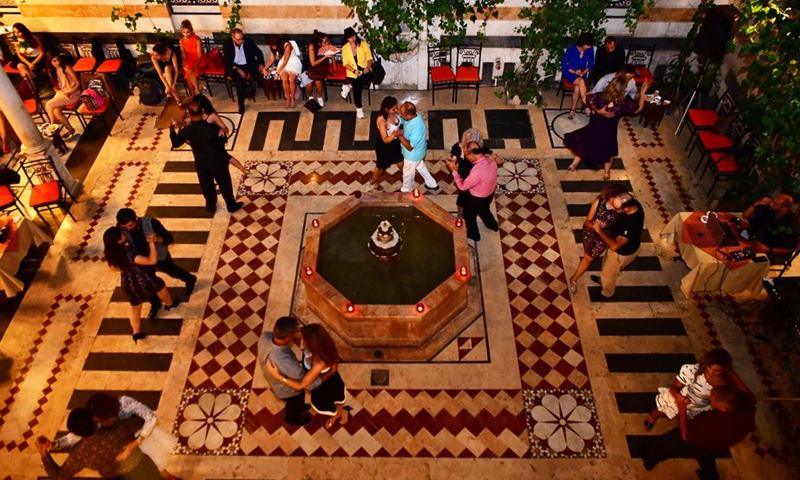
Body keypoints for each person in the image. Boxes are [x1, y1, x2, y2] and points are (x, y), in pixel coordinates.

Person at [49, 393, 180, 480]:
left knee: (160, 467)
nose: (96, 421)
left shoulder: (80, 454)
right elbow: (75, 436)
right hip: (132, 447)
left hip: (141, 436)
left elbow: (149, 419)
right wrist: (56, 444)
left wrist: (134, 444)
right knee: (156, 470)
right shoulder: (117, 428)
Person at [641, 386, 756, 479]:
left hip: (701, 441)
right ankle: (710, 476)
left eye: (712, 400)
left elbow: (685, 435)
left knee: (664, 444)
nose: (710, 400)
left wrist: (682, 408)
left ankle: (648, 460)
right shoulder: (745, 404)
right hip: (720, 443)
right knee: (707, 460)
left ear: (723, 409)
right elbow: (750, 397)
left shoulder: (711, 424)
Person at [645, 348, 755, 431]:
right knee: (666, 412)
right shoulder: (693, 371)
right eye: (709, 367)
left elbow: (747, 395)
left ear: (725, 369)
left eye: (716, 370)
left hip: (701, 407)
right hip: (682, 398)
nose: (711, 372)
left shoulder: (728, 380)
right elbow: (674, 388)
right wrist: (680, 398)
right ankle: (654, 414)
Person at [36, 410, 162, 480]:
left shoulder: (80, 455)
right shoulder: (119, 429)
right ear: (94, 419)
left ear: (76, 433)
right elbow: (144, 418)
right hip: (144, 470)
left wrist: (44, 455)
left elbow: (59, 477)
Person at [565, 76, 650, 180]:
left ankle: (573, 165)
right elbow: (638, 109)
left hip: (594, 126)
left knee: (585, 143)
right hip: (609, 131)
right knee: (609, 150)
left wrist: (597, 109)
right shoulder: (622, 104)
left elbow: (585, 99)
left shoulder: (601, 96)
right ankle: (606, 173)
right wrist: (642, 92)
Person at [266, 324, 349, 429]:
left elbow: (301, 385)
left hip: (323, 387)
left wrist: (277, 376)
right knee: (333, 401)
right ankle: (337, 412)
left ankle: (341, 414)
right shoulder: (324, 344)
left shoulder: (319, 362)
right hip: (327, 380)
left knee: (329, 402)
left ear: (312, 343)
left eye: (303, 339)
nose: (302, 340)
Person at [103, 227, 178, 342]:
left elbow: (113, 267)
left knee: (135, 308)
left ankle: (136, 332)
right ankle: (169, 304)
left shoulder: (110, 253)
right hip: (144, 278)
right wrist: (151, 244)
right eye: (122, 234)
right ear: (118, 241)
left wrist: (127, 269)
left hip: (128, 283)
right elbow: (151, 261)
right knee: (160, 287)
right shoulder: (128, 253)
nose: (124, 233)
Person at [170, 102, 245, 214]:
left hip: (201, 162)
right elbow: (223, 140)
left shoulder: (187, 131)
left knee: (206, 185)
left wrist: (171, 128)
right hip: (217, 160)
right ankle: (231, 205)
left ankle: (211, 205)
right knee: (224, 183)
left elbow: (176, 143)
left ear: (190, 115)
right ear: (202, 112)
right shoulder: (212, 128)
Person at [116, 208, 197, 302]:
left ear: (136, 218)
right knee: (148, 281)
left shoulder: (151, 223)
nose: (128, 229)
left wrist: (156, 239)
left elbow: (169, 239)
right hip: (143, 259)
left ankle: (190, 279)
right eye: (124, 227)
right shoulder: (122, 229)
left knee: (172, 271)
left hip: (160, 256)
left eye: (130, 225)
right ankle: (155, 303)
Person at [257, 316, 323, 426]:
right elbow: (307, 383)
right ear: (288, 337)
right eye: (296, 331)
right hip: (287, 390)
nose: (298, 332)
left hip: (275, 382)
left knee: (297, 402)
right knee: (295, 403)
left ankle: (299, 407)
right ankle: (292, 419)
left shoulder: (265, 337)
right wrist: (325, 375)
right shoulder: (286, 363)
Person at [568, 183, 629, 293]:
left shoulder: (621, 210)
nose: (618, 210)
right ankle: (574, 279)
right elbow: (587, 222)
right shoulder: (600, 201)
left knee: (589, 258)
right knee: (588, 257)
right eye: (616, 207)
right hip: (590, 233)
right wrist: (597, 227)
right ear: (611, 197)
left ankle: (574, 278)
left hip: (604, 238)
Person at [588, 194, 644, 299]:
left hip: (622, 252)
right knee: (606, 264)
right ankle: (602, 279)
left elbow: (615, 246)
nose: (613, 209)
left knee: (610, 274)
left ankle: (606, 293)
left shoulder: (630, 223)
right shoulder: (635, 204)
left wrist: (600, 231)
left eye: (616, 208)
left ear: (626, 208)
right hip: (616, 246)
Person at [446, 142, 499, 242]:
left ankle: (474, 234)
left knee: (468, 215)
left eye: (466, 155)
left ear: (472, 155)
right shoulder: (489, 158)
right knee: (484, 210)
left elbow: (462, 186)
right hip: (489, 193)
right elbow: (500, 161)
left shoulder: (477, 171)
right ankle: (493, 225)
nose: (466, 158)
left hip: (477, 198)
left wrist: (454, 170)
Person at [448, 128, 503, 220]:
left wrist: (494, 157)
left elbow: (499, 161)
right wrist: (454, 160)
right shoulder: (459, 147)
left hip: (477, 181)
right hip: (464, 177)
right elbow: (454, 156)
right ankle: (460, 215)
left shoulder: (483, 153)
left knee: (477, 206)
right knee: (462, 199)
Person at [396, 101, 438, 193]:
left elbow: (410, 147)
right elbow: (405, 120)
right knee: (420, 166)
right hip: (419, 152)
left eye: (402, 114)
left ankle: (406, 190)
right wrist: (399, 114)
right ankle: (432, 184)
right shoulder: (415, 115)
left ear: (409, 116)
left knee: (408, 173)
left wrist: (399, 135)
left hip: (413, 155)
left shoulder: (417, 128)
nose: (400, 114)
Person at [222, 28, 266, 114]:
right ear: (233, 38)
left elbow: (259, 53)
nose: (241, 41)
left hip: (247, 64)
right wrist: (238, 69)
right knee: (239, 82)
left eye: (242, 38)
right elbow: (227, 60)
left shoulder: (248, 42)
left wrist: (261, 64)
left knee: (251, 74)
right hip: (234, 66)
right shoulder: (227, 44)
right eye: (238, 40)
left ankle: (249, 89)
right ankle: (241, 104)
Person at [369, 96, 404, 191]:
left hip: (396, 143)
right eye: (393, 109)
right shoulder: (382, 121)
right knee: (381, 166)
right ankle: (374, 180)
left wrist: (399, 112)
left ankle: (404, 175)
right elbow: (385, 139)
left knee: (400, 160)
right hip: (385, 146)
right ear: (386, 109)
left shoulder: (394, 111)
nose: (396, 110)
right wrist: (394, 134)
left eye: (396, 107)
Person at [45, 52, 81, 138]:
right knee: (56, 111)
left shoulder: (66, 68)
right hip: (61, 93)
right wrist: (61, 92)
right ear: (50, 63)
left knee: (49, 104)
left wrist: (70, 92)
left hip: (72, 93)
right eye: (54, 61)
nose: (57, 62)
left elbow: (77, 83)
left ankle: (52, 126)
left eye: (58, 60)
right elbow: (55, 87)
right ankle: (70, 129)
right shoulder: (51, 71)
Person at [340, 27, 373, 119]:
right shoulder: (345, 48)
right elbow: (345, 63)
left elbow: (370, 58)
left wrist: (367, 67)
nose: (353, 39)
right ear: (347, 39)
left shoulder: (363, 44)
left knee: (359, 82)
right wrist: (354, 71)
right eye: (350, 37)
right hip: (352, 71)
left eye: (354, 36)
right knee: (357, 88)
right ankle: (359, 108)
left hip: (364, 69)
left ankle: (349, 86)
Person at [561, 32, 595, 119]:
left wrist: (584, 72)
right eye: (588, 45)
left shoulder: (590, 50)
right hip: (571, 73)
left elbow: (591, 63)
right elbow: (564, 64)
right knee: (581, 81)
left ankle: (573, 109)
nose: (590, 47)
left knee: (577, 88)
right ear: (582, 43)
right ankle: (585, 104)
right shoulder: (571, 49)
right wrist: (574, 72)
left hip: (582, 74)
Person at [266, 36, 304, 109]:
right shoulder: (273, 48)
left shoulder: (287, 46)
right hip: (282, 64)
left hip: (293, 63)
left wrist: (277, 73)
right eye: (272, 46)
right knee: (284, 79)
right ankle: (287, 97)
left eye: (274, 46)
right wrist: (265, 68)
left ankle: (292, 98)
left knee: (291, 80)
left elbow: (286, 61)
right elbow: (271, 59)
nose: (273, 48)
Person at [179, 19, 206, 98]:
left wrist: (194, 67)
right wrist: (183, 65)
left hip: (199, 59)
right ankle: (196, 92)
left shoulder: (197, 39)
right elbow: (183, 55)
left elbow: (200, 56)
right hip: (188, 59)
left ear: (191, 30)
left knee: (190, 71)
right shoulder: (181, 41)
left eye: (188, 32)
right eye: (184, 32)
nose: (186, 34)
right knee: (187, 71)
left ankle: (194, 94)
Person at [306, 31, 333, 107]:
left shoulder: (328, 43)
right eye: (325, 42)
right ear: (319, 44)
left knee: (318, 81)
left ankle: (319, 96)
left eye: (327, 40)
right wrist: (325, 56)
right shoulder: (312, 46)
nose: (327, 43)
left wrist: (334, 68)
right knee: (309, 83)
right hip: (313, 64)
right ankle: (311, 96)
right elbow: (313, 63)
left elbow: (333, 55)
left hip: (323, 64)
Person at [151, 42, 182, 106]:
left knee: (167, 68)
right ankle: (178, 101)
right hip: (163, 72)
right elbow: (159, 73)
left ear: (163, 54)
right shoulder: (153, 57)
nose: (154, 56)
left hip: (171, 68)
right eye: (154, 54)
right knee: (166, 75)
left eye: (157, 55)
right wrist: (167, 86)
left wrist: (174, 83)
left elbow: (176, 71)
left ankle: (170, 94)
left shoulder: (172, 54)